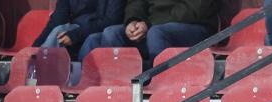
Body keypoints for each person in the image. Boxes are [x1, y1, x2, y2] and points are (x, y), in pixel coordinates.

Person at [79, 0, 218, 61]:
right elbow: (137, 3)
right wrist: (132, 21)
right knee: (111, 33)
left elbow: (193, 10)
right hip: (152, 26)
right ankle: (117, 86)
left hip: (196, 27)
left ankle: (158, 81)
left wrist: (149, 24)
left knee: (156, 33)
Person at [32, 0, 124, 61]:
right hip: (78, 29)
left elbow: (112, 20)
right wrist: (34, 48)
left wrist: (76, 35)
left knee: (91, 39)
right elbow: (57, 20)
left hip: (100, 30)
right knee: (59, 30)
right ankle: (38, 72)